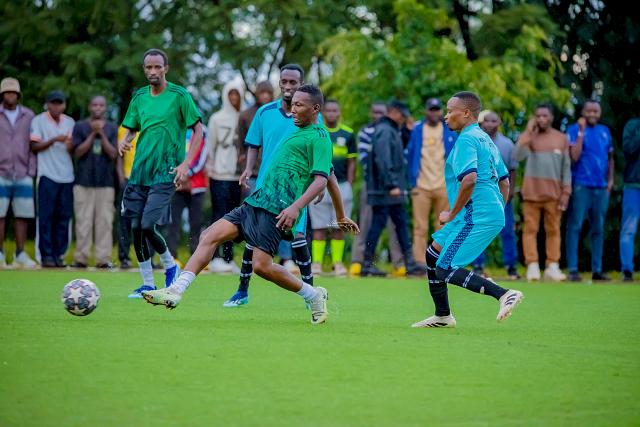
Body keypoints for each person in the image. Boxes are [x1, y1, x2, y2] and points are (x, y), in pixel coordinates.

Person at [141, 85, 359, 325]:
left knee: (262, 267)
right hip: (256, 201)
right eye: (292, 104)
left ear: (315, 108)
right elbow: (329, 175)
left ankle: (314, 294)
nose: (293, 109)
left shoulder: (320, 137)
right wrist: (341, 215)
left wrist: (298, 207)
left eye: (299, 105)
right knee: (209, 236)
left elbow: (323, 179)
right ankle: (176, 290)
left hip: (277, 209)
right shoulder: (297, 129)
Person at [412, 91, 523, 328]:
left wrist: (451, 213)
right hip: (480, 212)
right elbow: (504, 181)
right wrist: (497, 211)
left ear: (465, 113)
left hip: (475, 214)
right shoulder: (485, 139)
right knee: (432, 255)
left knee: (445, 268)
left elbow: (469, 179)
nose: (446, 116)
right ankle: (443, 316)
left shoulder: (466, 140)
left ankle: (504, 294)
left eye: (450, 111)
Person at [222, 64, 315, 307]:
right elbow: (253, 144)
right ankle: (242, 291)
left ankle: (312, 294)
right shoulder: (265, 112)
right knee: (252, 237)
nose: (288, 86)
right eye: (284, 81)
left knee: (298, 237)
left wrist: (321, 184)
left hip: (295, 189)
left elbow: (319, 149)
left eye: (293, 82)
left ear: (301, 84)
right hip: (264, 187)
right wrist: (248, 169)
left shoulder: (310, 115)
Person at [118, 48, 203, 298]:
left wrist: (186, 164)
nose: (153, 71)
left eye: (157, 67)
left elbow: (198, 130)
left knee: (147, 224)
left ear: (166, 68)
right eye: (149, 67)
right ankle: (147, 283)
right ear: (144, 69)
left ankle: (170, 265)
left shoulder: (180, 95)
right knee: (135, 227)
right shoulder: (139, 96)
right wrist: (126, 140)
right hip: (139, 173)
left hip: (166, 173)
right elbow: (133, 128)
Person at [361, 100, 425, 277]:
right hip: (385, 189)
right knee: (377, 225)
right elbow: (383, 159)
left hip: (389, 189)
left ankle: (410, 264)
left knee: (401, 224)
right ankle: (367, 265)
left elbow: (398, 149)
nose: (404, 119)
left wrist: (407, 131)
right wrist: (391, 185)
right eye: (403, 116)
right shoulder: (385, 130)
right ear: (395, 113)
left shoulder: (391, 129)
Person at [514, 104, 571, 282]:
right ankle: (532, 266)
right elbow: (517, 156)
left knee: (553, 230)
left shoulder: (561, 138)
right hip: (531, 193)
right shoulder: (529, 137)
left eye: (544, 116)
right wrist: (528, 132)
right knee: (530, 230)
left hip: (554, 194)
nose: (541, 119)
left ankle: (552, 267)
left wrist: (566, 192)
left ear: (551, 117)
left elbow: (566, 167)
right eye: (538, 116)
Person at [350, 102, 405, 276]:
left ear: (387, 113)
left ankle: (398, 262)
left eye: (380, 112)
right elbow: (366, 160)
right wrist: (383, 179)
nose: (377, 115)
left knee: (393, 225)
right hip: (372, 183)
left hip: (390, 183)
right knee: (366, 222)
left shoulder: (394, 130)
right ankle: (358, 261)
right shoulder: (365, 132)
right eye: (374, 112)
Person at [565, 99, 614, 282]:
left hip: (601, 187)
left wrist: (610, 181)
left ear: (599, 113)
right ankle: (573, 269)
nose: (592, 114)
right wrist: (581, 130)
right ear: (583, 112)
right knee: (575, 226)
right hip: (581, 184)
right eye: (589, 111)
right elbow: (574, 156)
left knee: (598, 228)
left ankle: (597, 270)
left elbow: (610, 157)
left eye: (596, 111)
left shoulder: (604, 131)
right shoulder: (573, 130)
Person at [406, 98, 456, 268]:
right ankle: (419, 262)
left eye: (437, 109)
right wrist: (411, 182)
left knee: (442, 225)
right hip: (421, 185)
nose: (434, 113)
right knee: (420, 227)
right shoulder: (417, 129)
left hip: (443, 185)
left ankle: (439, 261)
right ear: (426, 111)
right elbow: (410, 155)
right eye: (431, 109)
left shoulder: (448, 129)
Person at [309, 99, 356, 276]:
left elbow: (352, 162)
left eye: (335, 110)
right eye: (328, 110)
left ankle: (338, 264)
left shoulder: (348, 134)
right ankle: (317, 264)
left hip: (342, 185)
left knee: (339, 226)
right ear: (322, 113)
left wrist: (349, 183)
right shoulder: (316, 132)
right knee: (319, 227)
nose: (331, 114)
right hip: (318, 185)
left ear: (339, 112)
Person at [70, 96, 118, 269]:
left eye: (101, 105)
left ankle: (103, 259)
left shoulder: (112, 128)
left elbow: (113, 154)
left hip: (105, 183)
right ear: (90, 107)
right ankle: (81, 258)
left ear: (105, 108)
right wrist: (92, 133)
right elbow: (77, 152)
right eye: (95, 104)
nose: (98, 108)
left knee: (104, 222)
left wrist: (101, 133)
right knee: (83, 222)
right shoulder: (80, 126)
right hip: (83, 181)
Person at [471, 110, 520, 279]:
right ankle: (478, 266)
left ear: (499, 123)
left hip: (501, 194)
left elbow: (513, 170)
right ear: (481, 123)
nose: (490, 124)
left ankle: (511, 267)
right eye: (487, 120)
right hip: (480, 194)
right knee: (479, 229)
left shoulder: (507, 144)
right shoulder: (475, 141)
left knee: (507, 230)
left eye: (494, 121)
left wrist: (510, 191)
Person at [30, 90, 75, 268]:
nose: (56, 106)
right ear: (47, 104)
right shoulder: (38, 120)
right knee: (46, 217)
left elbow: (72, 149)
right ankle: (46, 255)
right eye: (53, 103)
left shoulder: (70, 122)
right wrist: (55, 139)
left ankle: (59, 255)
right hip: (47, 175)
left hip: (67, 176)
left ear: (64, 105)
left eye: (60, 103)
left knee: (63, 217)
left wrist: (69, 144)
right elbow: (34, 146)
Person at [206, 80, 244, 273]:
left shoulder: (244, 117)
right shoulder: (216, 118)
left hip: (238, 176)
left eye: (237, 94)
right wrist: (210, 169)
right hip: (219, 174)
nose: (234, 98)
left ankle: (228, 258)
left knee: (234, 218)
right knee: (218, 214)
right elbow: (210, 146)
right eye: (231, 94)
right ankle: (214, 257)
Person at [0, 77, 37, 268]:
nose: (10, 95)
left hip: (23, 171)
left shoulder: (29, 116)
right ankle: (0, 254)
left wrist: (31, 169)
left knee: (23, 215)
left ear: (18, 94)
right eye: (7, 92)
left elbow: (33, 144)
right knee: (0, 215)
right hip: (1, 172)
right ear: (2, 94)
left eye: (13, 92)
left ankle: (20, 254)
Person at [166, 127, 208, 260]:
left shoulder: (203, 131)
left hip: (197, 186)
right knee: (173, 223)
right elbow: (169, 154)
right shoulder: (174, 127)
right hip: (177, 185)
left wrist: (188, 173)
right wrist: (179, 175)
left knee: (196, 223)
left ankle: (196, 258)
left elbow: (203, 156)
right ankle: (171, 258)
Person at [235, 80, 275, 193]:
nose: (265, 96)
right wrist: (244, 169)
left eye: (268, 93)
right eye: (262, 92)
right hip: (252, 172)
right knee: (252, 203)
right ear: (257, 94)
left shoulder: (279, 114)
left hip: (273, 171)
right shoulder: (245, 115)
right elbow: (241, 146)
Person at [620, 115, 640, 281]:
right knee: (629, 229)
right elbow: (629, 149)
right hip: (634, 185)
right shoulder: (633, 125)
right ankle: (627, 270)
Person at [116, 126, 137, 269]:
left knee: (148, 221)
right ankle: (124, 258)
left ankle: (149, 259)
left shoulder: (155, 123)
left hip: (148, 181)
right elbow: (119, 153)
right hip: (128, 179)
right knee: (125, 220)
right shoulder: (125, 127)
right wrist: (121, 178)